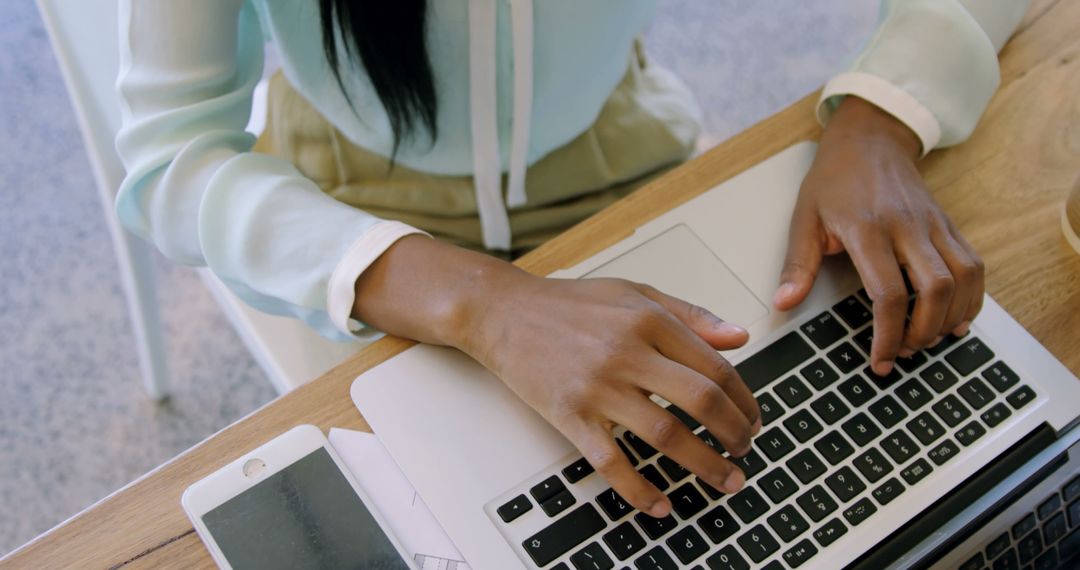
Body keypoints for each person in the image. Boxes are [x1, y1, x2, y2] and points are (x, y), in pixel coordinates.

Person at [115, 0, 1028, 518]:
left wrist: (883, 112)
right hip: (355, 216)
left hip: (615, 152)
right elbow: (170, 159)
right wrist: (483, 303)